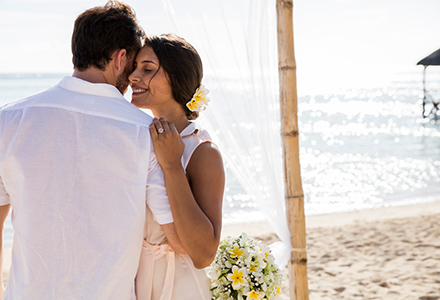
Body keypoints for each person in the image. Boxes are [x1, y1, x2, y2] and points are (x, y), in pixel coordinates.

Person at [0, 2, 174, 299]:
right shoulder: (144, 132)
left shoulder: (10, 120)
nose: (133, 77)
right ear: (121, 58)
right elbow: (176, 236)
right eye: (134, 65)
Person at [129, 34, 225, 300]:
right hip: (131, 278)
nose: (133, 76)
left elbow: (204, 254)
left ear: (177, 78)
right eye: (134, 67)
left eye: (147, 69)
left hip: (180, 286)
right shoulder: (137, 138)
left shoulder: (202, 151)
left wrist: (172, 166)